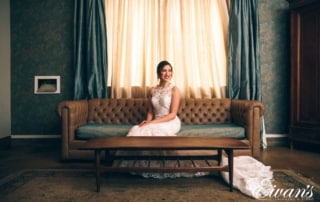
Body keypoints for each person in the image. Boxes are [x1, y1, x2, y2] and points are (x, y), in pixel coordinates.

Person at [117, 60, 208, 179]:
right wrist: (147, 121)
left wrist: (152, 123)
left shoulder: (174, 89)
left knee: (153, 130)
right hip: (156, 120)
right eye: (164, 70)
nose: (167, 73)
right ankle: (140, 165)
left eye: (169, 70)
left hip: (170, 121)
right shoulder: (152, 90)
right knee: (137, 129)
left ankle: (165, 165)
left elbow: (173, 114)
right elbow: (150, 111)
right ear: (159, 73)